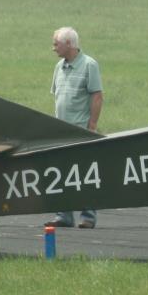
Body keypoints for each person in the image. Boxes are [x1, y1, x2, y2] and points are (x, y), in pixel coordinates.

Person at [45, 26, 103, 229]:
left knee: (85, 173)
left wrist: (92, 125)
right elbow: (58, 97)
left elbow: (97, 96)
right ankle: (64, 215)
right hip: (61, 131)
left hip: (80, 130)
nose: (53, 48)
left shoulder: (89, 65)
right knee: (61, 173)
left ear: (69, 44)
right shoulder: (59, 67)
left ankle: (88, 216)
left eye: (56, 44)